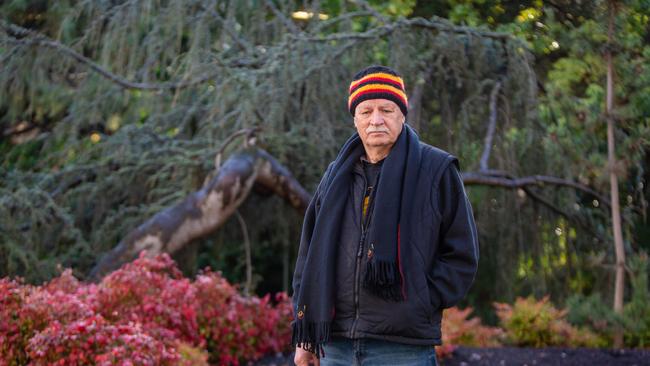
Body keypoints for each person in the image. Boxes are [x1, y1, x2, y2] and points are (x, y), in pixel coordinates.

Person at [292, 65, 479, 366]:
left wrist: (421, 300)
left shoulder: (436, 170)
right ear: (355, 119)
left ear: (402, 114)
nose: (376, 120)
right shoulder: (335, 175)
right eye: (366, 111)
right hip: (335, 345)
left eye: (386, 110)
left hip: (402, 348)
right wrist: (305, 336)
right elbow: (308, 255)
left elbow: (462, 255)